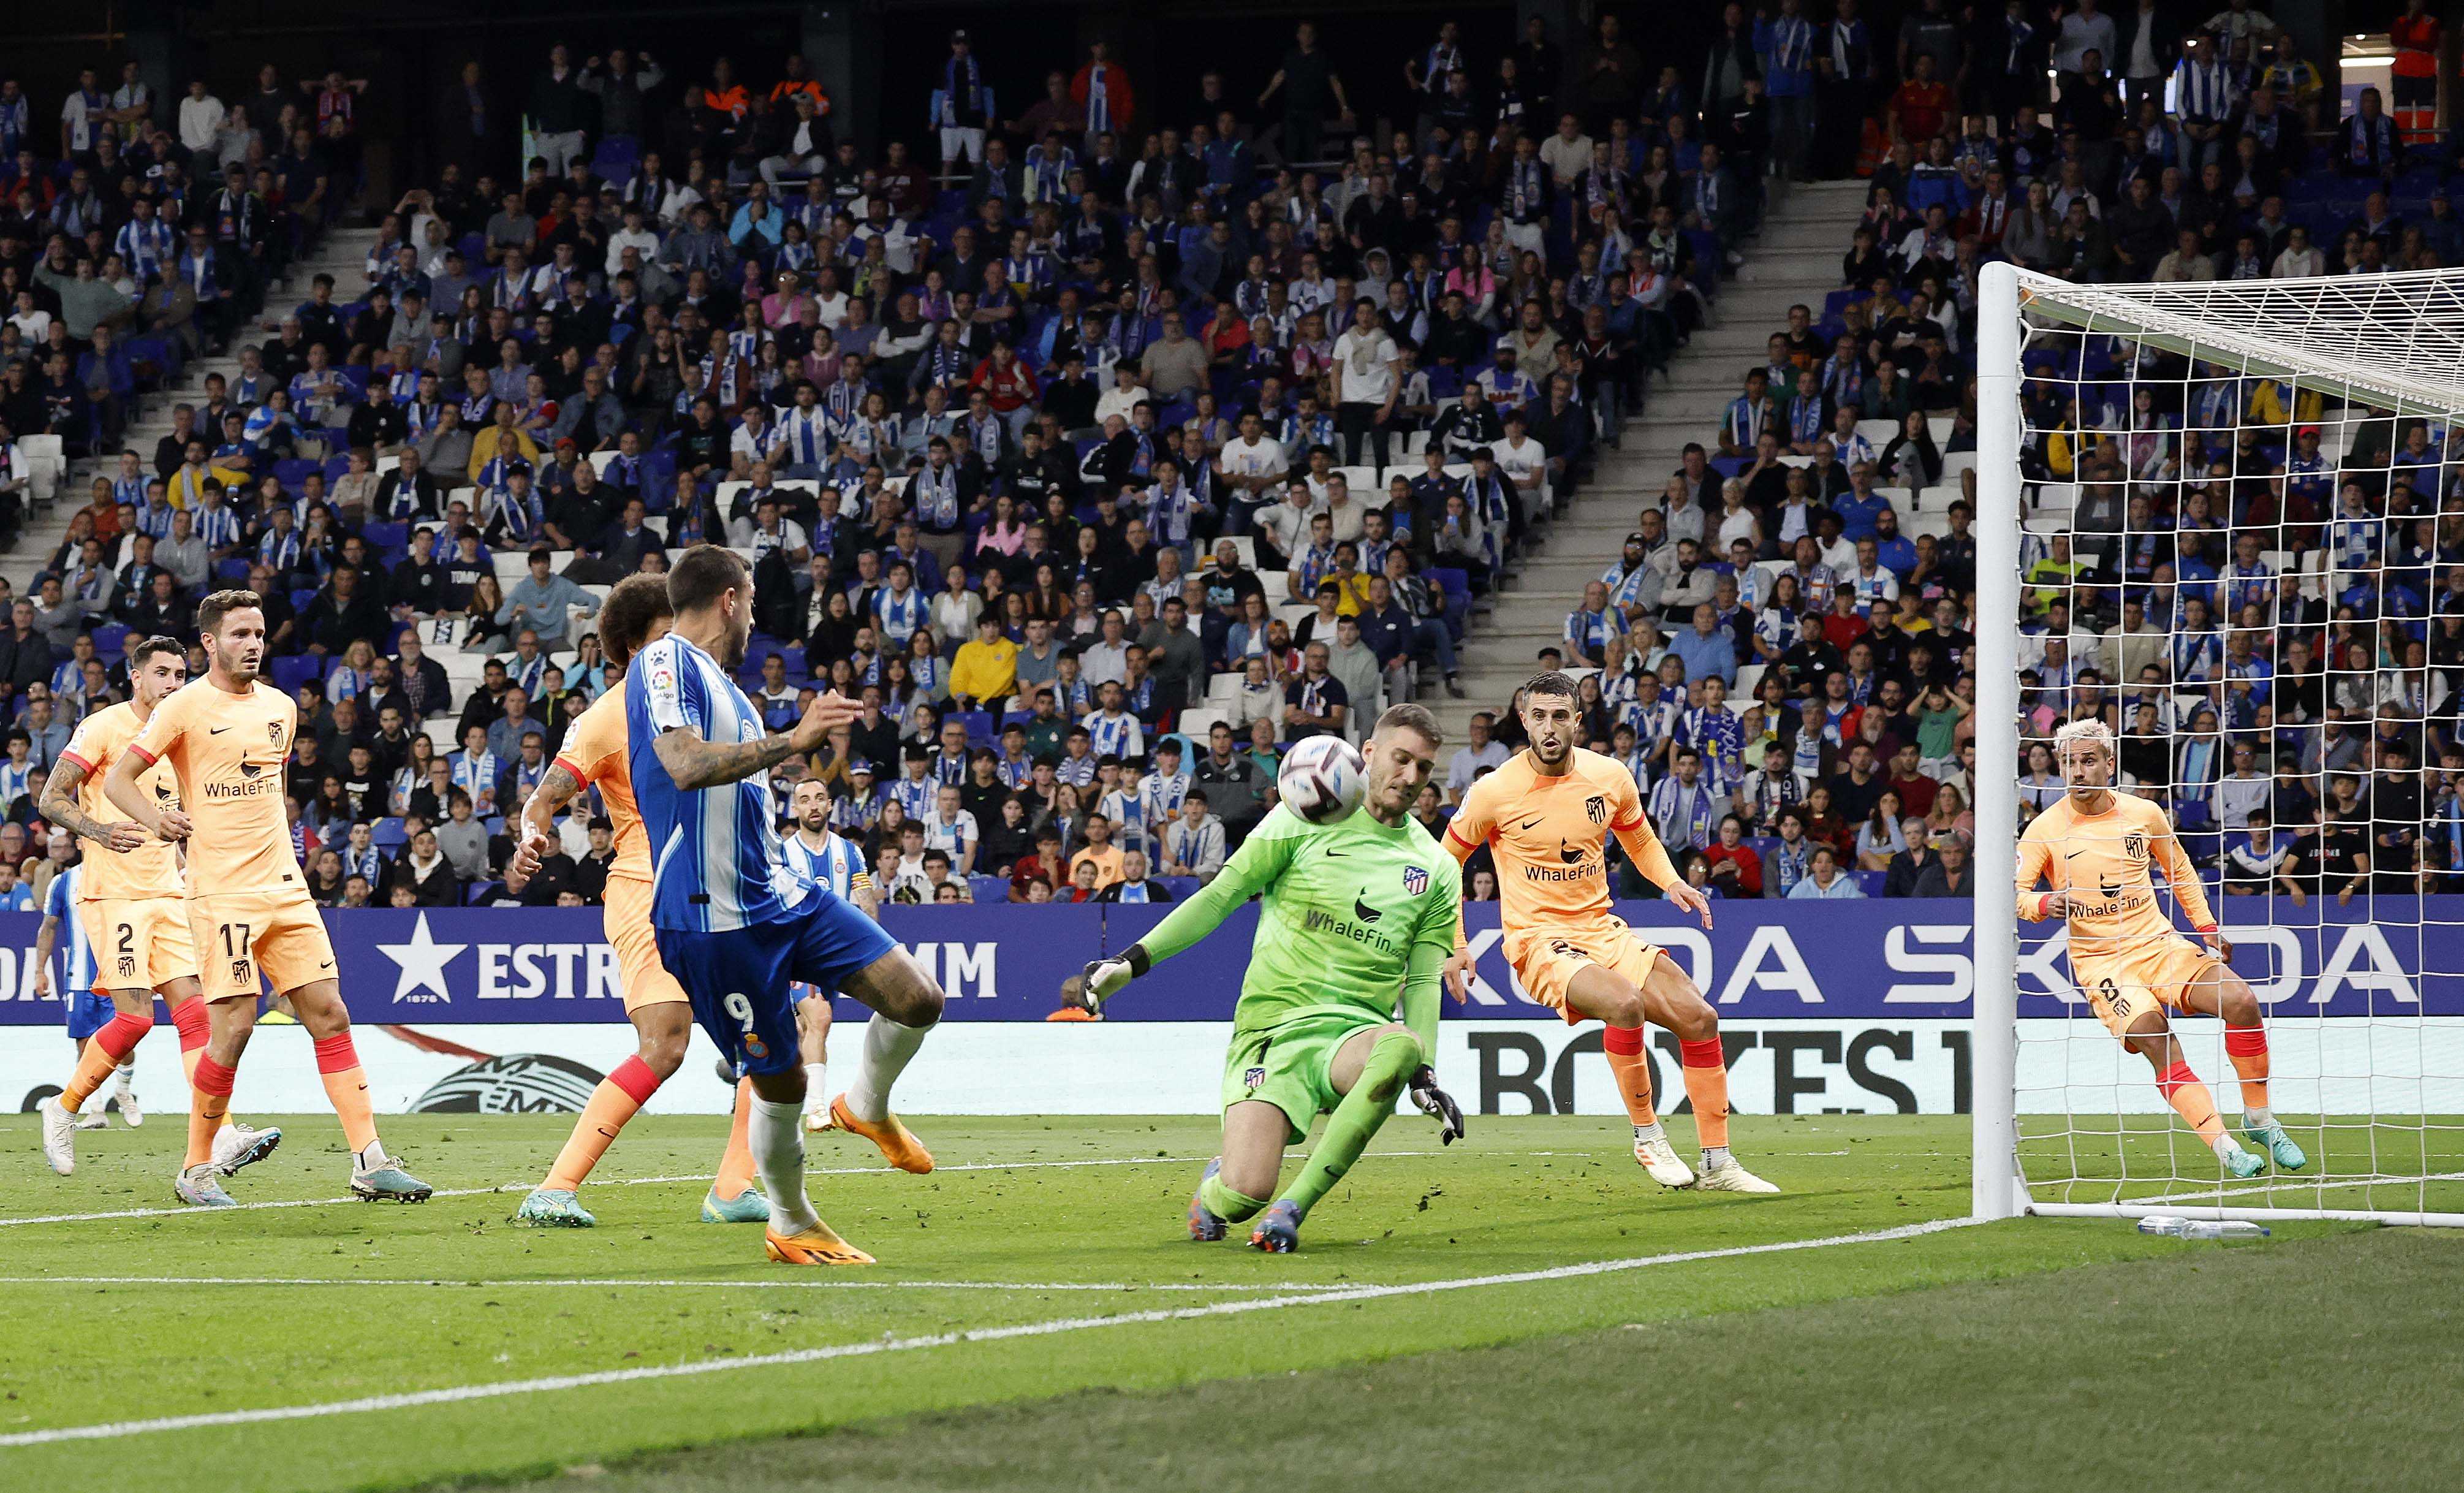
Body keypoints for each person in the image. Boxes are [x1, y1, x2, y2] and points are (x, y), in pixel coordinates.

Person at [628, 545, 949, 1266]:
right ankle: (791, 1220)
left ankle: (864, 1105)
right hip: (712, 917)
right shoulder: (664, 661)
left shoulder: (728, 689)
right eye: (750, 602)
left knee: (918, 999)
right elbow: (683, 765)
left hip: (779, 893)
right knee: (780, 1078)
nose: (753, 620)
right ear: (730, 600)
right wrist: (793, 741)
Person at [1072, 704, 1465, 1253]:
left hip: (1351, 1036)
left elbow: (1422, 979)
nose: (1410, 776)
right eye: (1401, 759)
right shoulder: (1301, 817)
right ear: (1368, 753)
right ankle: (1219, 1189)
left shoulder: (1436, 866)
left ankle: (1292, 1209)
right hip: (1273, 1029)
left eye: (1423, 768)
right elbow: (1221, 896)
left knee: (1401, 1046)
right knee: (1243, 1194)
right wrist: (1132, 961)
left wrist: (1425, 1073)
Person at [105, 591, 430, 1206]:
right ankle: (196, 1169)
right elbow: (121, 780)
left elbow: (264, 791)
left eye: (258, 634)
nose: (253, 644)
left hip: (285, 889)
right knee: (234, 1028)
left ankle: (370, 1161)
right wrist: (159, 820)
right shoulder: (182, 708)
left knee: (330, 1014)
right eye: (239, 635)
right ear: (210, 643)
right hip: (223, 894)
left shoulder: (281, 707)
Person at [1439, 671, 1777, 1193]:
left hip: (1600, 928)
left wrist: (1672, 882)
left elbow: (1638, 839)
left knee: (1699, 1017)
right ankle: (1648, 1137)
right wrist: (1456, 944)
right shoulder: (1494, 790)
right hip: (1538, 938)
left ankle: (1717, 1163)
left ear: (1577, 721)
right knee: (1624, 1004)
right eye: (1538, 716)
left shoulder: (1609, 776)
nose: (1548, 727)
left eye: (1559, 716)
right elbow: (1446, 864)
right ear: (1523, 721)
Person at [503, 577, 764, 1226]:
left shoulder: (717, 696)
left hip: (723, 886)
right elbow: (544, 798)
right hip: (648, 890)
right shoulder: (607, 716)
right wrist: (532, 835)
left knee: (769, 1039)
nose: (679, 648)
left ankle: (733, 1189)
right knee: (666, 1043)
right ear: (630, 648)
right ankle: (554, 1189)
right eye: (664, 636)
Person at [36, 637, 282, 1179]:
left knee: (195, 1014)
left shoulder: (185, 736)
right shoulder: (104, 727)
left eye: (180, 674)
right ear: (137, 677)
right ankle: (65, 1107)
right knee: (135, 1020)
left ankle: (222, 1133)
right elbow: (50, 798)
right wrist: (98, 830)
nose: (173, 684)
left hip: (170, 894)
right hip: (115, 895)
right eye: (163, 673)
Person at [2016, 720, 2305, 1177]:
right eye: (2068, 762)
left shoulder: (2144, 814)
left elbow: (2180, 870)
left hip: (2157, 944)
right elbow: (2014, 895)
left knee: (2242, 1001)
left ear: (2110, 764)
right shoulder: (2043, 829)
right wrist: (2043, 903)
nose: (2078, 771)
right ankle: (2224, 1145)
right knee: (2156, 1036)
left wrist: (2207, 927)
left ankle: (2259, 1118)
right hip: (2102, 963)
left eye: (2088, 760)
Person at [782, 773, 882, 1132]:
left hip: (836, 956)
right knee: (820, 1019)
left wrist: (874, 947)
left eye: (819, 798)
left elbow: (866, 901)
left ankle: (780, 1094)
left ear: (829, 805)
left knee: (809, 1030)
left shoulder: (849, 852)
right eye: (804, 800)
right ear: (795, 809)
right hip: (798, 955)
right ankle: (816, 1109)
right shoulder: (783, 854)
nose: (813, 805)